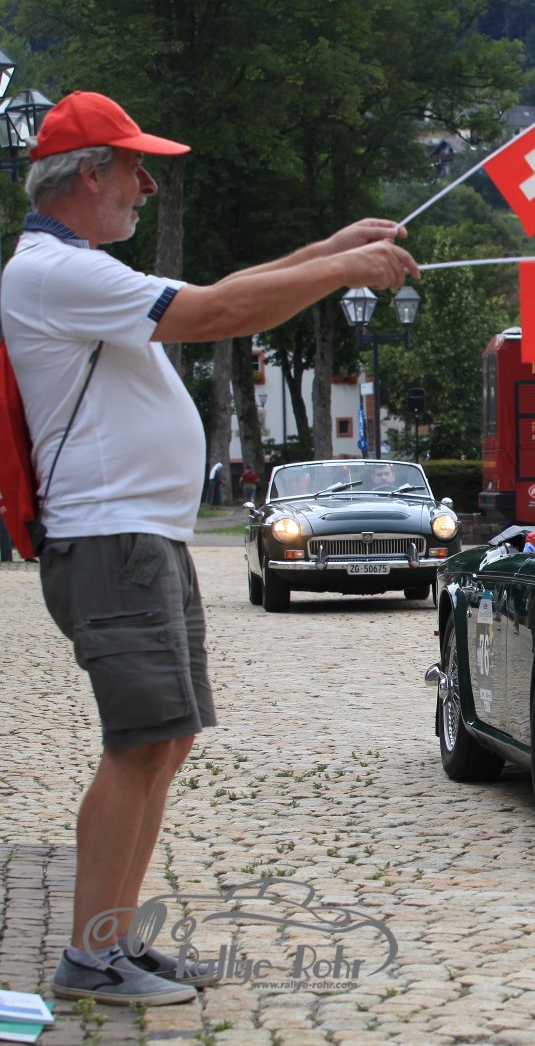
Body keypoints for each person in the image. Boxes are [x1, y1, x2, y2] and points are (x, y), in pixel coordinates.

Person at [1, 91, 419, 1008]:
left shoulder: (74, 269)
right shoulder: (54, 271)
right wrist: (345, 264)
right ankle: (91, 955)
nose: (146, 185)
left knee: (166, 737)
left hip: (137, 537)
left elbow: (223, 290)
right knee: (140, 742)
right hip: (112, 539)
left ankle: (114, 939)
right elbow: (219, 309)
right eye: (135, 167)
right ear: (90, 173)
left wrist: (326, 251)